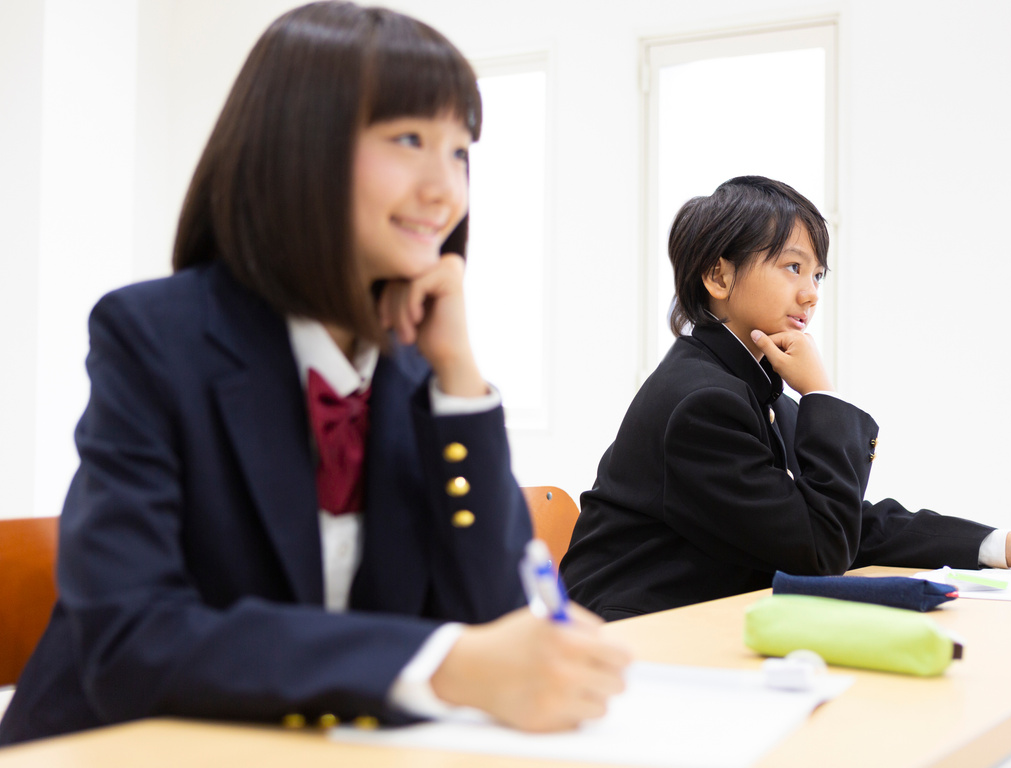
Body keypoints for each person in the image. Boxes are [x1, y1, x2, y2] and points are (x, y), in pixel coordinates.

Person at [0, 2, 629, 745]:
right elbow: (133, 639)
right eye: (409, 139)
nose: (445, 189)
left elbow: (496, 616)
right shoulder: (153, 336)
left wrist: (460, 386)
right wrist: (448, 662)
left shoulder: (412, 366)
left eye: (460, 151)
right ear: (299, 145)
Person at [559, 175, 1011, 621]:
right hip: (634, 637)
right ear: (718, 275)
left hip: (701, 620)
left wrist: (1005, 546)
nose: (811, 293)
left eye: (816, 274)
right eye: (792, 267)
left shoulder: (748, 387)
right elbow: (821, 550)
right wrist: (820, 395)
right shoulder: (704, 402)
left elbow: (846, 523)